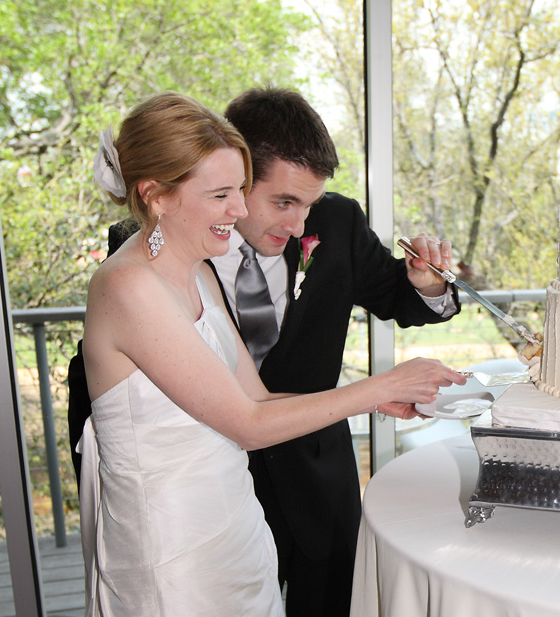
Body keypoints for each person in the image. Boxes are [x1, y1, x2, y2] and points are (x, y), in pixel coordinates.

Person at [79, 91, 465, 615]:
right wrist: (379, 386)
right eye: (228, 194)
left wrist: (373, 397)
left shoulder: (201, 267)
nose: (300, 227)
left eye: (238, 192)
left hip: (254, 509)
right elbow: (235, 419)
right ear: (158, 195)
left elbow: (255, 397)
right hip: (174, 532)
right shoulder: (138, 274)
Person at [217, 86, 462, 617]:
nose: (300, 225)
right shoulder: (160, 243)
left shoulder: (336, 221)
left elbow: (401, 298)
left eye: (309, 203)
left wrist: (426, 283)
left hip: (316, 478)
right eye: (283, 202)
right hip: (212, 484)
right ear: (234, 177)